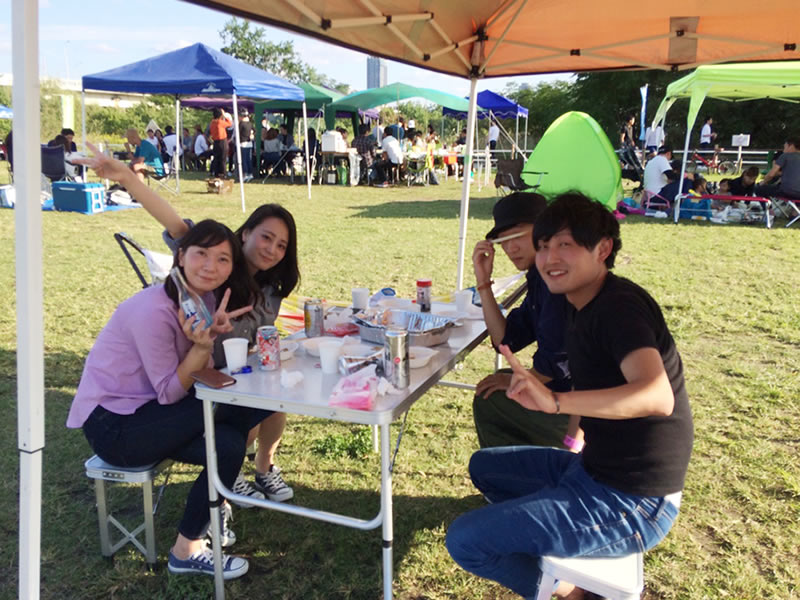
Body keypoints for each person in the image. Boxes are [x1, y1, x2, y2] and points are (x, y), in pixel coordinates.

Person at [446, 192, 693, 600]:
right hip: (593, 470)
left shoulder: (619, 307)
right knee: (483, 467)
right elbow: (515, 342)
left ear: (603, 249)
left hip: (635, 500)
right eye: (544, 246)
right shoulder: (575, 301)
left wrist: (556, 403)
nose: (549, 258)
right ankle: (554, 522)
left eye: (566, 244)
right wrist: (572, 436)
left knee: (465, 540)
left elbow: (656, 396)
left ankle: (574, 593)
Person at [76, 144, 301, 504]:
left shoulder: (271, 288)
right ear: (246, 233)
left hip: (230, 370)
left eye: (281, 245)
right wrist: (129, 180)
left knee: (273, 400)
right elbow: (176, 224)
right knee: (245, 413)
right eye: (266, 237)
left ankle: (264, 467)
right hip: (191, 376)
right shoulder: (214, 263)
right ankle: (229, 481)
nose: (271, 249)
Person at [67, 219, 275, 579]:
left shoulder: (203, 299)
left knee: (229, 442)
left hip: (153, 415)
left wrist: (208, 340)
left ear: (231, 268)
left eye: (223, 259)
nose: (210, 266)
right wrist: (203, 346)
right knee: (248, 403)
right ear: (181, 256)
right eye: (201, 254)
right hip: (115, 428)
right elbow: (170, 391)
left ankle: (186, 550)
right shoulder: (152, 311)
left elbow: (199, 374)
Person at [471, 192, 575, 450]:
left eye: (517, 236)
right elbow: (505, 340)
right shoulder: (539, 278)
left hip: (586, 408)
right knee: (499, 382)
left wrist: (512, 383)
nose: (510, 248)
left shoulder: (558, 281)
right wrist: (483, 282)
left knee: (491, 398)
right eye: (503, 241)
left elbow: (555, 365)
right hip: (569, 393)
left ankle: (518, 472)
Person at [210, 107, 233, 178]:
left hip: (215, 142)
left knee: (216, 158)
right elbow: (230, 124)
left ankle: (216, 173)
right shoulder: (220, 122)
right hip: (222, 141)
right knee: (223, 158)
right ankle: (223, 173)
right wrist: (224, 116)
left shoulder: (212, 122)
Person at [237, 110, 254, 182]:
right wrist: (251, 135)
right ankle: (250, 173)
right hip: (249, 143)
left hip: (242, 143)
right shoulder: (250, 124)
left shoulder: (241, 124)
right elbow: (254, 131)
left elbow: (238, 133)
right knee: (248, 159)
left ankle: (245, 174)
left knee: (243, 160)